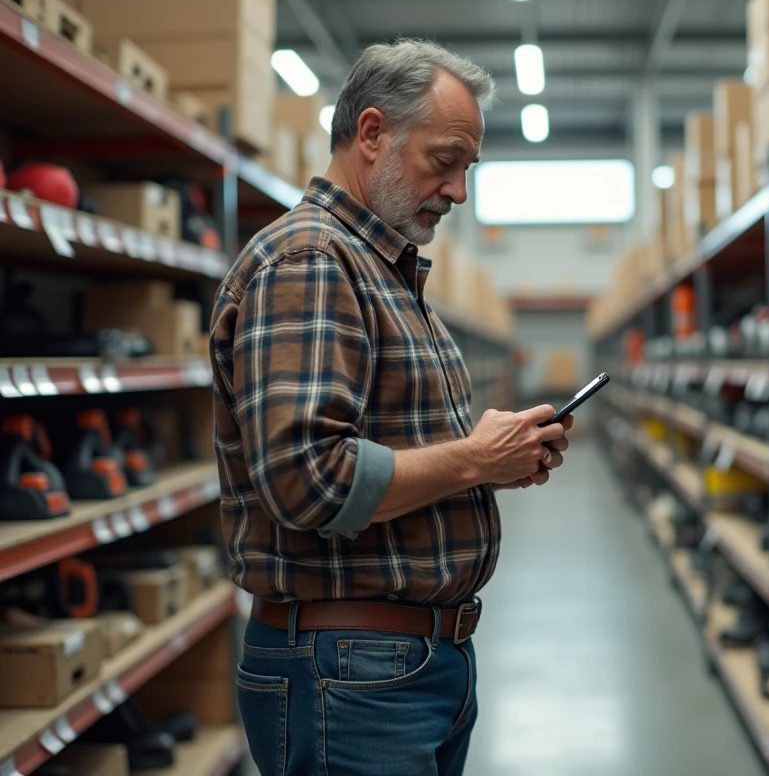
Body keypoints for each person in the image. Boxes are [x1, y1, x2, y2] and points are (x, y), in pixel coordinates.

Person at [210, 39, 570, 776]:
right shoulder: (313, 262)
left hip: (398, 665)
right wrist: (473, 457)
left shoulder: (385, 272)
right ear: (371, 134)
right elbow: (308, 478)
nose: (459, 191)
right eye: (445, 161)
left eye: (468, 168)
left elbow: (395, 451)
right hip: (350, 673)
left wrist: (488, 465)